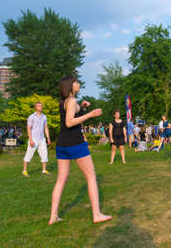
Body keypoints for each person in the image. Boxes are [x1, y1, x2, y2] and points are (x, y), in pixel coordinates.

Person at [49, 76, 111, 225]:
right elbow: (69, 122)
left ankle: (53, 216)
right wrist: (90, 114)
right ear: (70, 85)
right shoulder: (71, 101)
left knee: (60, 180)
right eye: (76, 82)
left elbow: (71, 115)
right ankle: (96, 214)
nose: (78, 84)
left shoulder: (64, 101)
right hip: (75, 143)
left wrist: (82, 108)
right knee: (91, 177)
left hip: (62, 144)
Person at [22, 102, 51, 177]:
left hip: (42, 139)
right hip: (34, 139)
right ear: (35, 108)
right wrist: (30, 139)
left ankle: (44, 170)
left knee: (44, 155)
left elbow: (46, 128)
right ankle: (24, 171)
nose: (41, 107)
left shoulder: (44, 117)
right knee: (29, 154)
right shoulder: (31, 117)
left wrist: (48, 138)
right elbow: (28, 128)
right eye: (39, 106)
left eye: (41, 106)